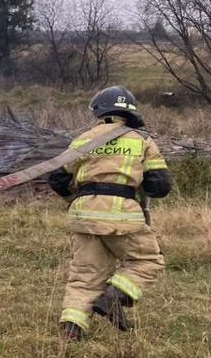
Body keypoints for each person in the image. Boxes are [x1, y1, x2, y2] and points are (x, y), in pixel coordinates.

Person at [47, 86, 172, 340]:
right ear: (130, 112)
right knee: (148, 261)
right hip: (123, 216)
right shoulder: (141, 141)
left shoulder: (83, 140)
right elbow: (161, 186)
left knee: (84, 276)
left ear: (99, 110)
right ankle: (112, 296)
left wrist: (76, 199)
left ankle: (71, 330)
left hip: (83, 216)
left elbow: (57, 180)